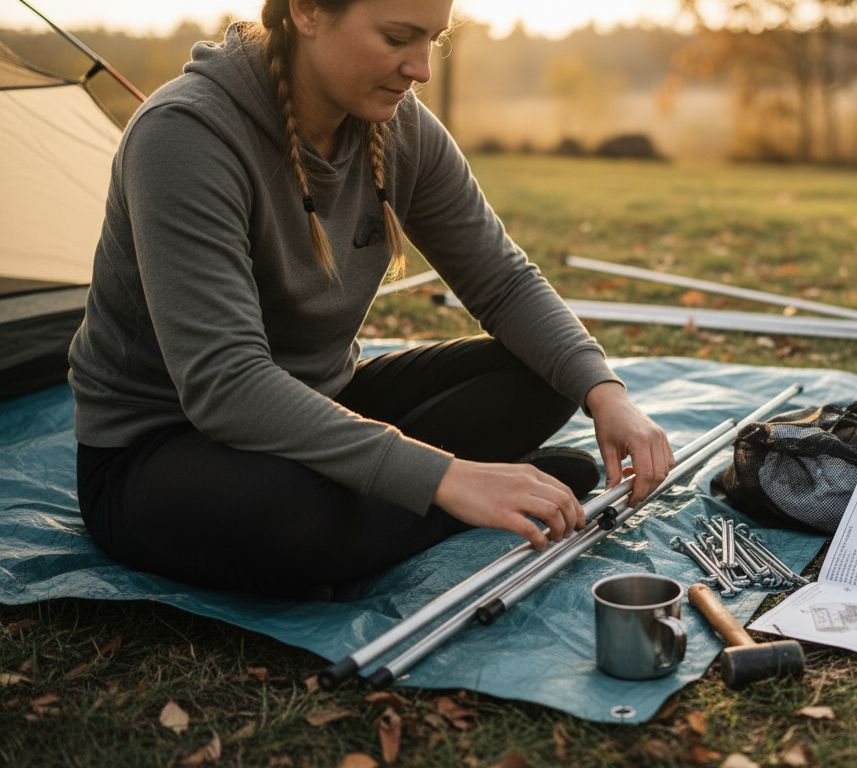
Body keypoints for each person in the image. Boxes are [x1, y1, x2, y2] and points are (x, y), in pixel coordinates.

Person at [67, 0, 673, 598]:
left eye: (432, 40)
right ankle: (449, 499)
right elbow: (224, 384)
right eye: (396, 37)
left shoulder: (402, 127)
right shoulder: (184, 135)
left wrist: (605, 392)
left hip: (321, 404)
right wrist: (447, 477)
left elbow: (504, 281)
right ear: (307, 12)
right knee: (287, 518)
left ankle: (391, 503)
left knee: (545, 372)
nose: (421, 69)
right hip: (160, 449)